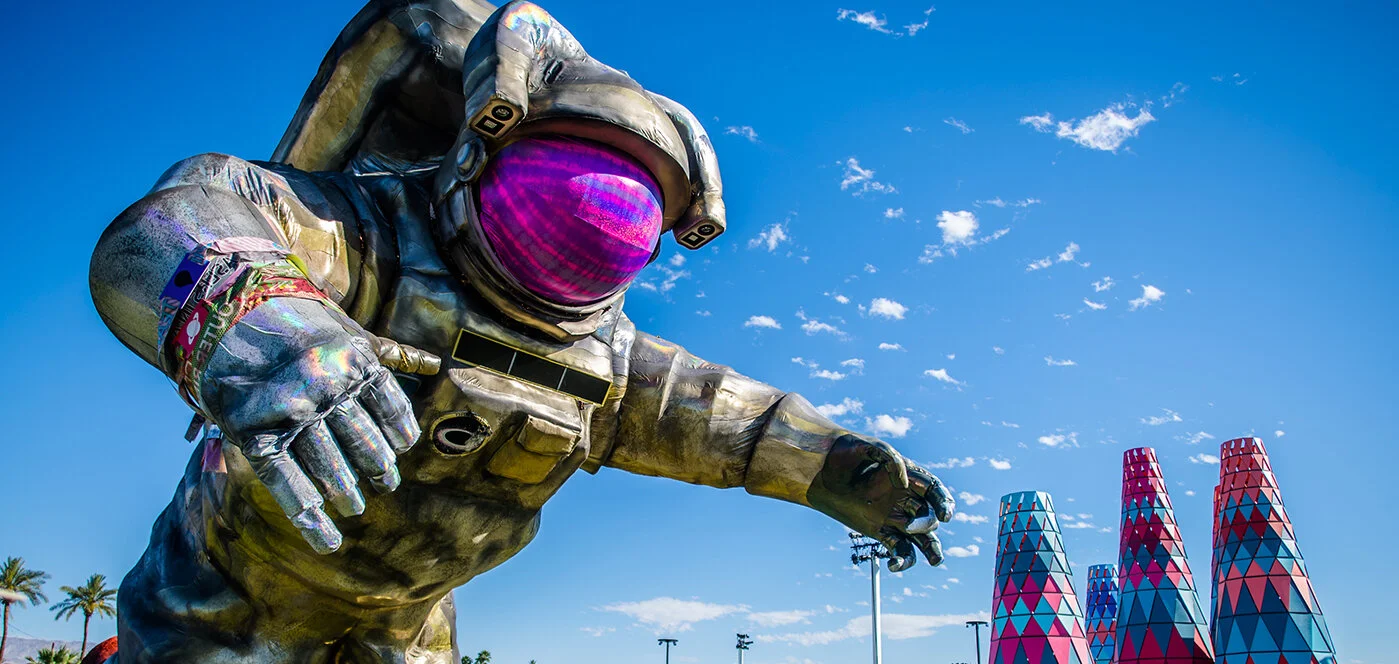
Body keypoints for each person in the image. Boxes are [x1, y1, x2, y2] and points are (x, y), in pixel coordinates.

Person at [88, 2, 955, 661]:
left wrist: (835, 465)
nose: (590, 218)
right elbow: (176, 222)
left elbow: (726, 419)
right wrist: (275, 340)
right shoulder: (364, 238)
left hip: (408, 629)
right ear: (478, 151)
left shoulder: (606, 359)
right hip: (226, 602)